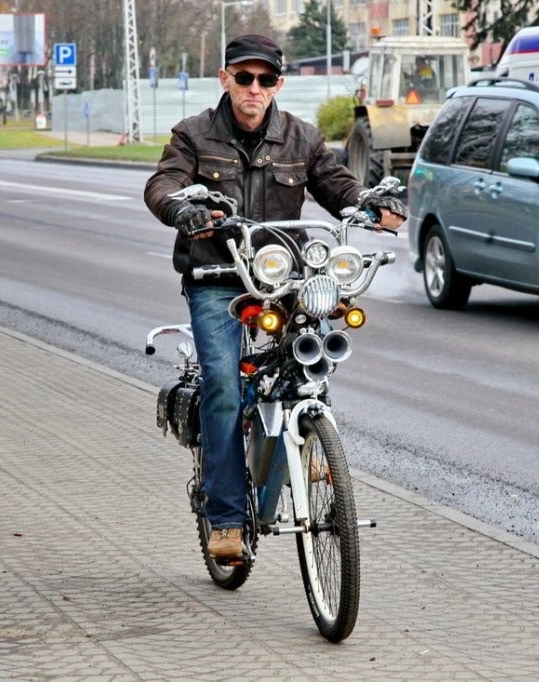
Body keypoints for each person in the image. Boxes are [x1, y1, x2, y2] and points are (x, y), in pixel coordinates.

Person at [143, 34, 406, 561]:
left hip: (284, 278)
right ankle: (226, 519)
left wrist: (371, 204)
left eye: (265, 79)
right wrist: (182, 210)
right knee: (223, 385)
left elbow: (337, 185)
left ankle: (311, 439)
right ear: (225, 79)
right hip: (217, 274)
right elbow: (163, 184)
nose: (254, 88)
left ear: (278, 85)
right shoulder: (193, 134)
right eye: (244, 77)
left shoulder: (301, 138)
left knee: (313, 357)